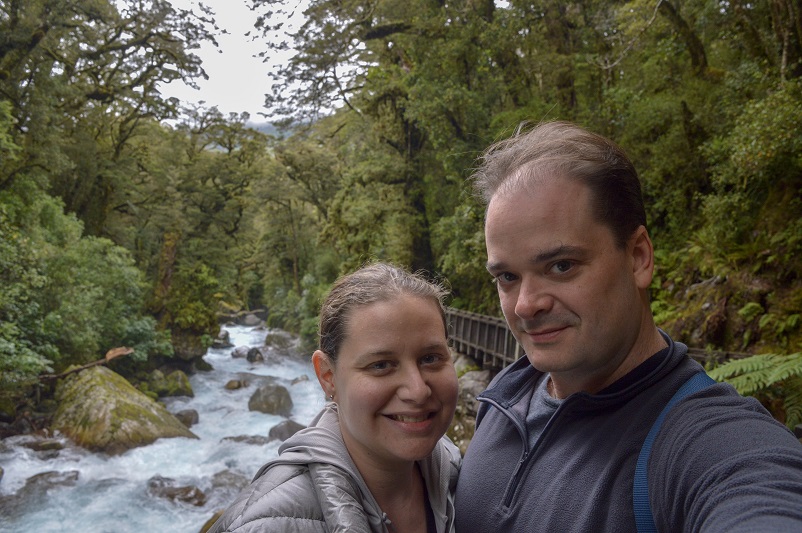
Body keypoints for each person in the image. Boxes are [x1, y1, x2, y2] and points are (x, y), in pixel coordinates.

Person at [454, 121, 802, 532]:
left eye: (561, 266)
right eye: (507, 277)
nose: (527, 305)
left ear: (638, 257)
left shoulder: (699, 440)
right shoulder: (505, 397)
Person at [210, 262, 460, 533]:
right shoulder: (264, 525)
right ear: (328, 376)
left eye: (431, 358)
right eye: (380, 365)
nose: (418, 390)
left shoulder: (457, 472)